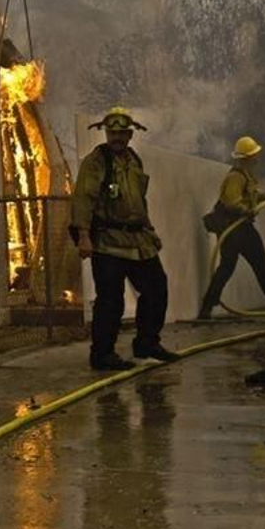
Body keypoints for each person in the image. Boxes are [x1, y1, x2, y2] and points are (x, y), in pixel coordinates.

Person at [71, 106, 179, 371]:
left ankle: (147, 344)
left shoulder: (133, 160)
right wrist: (84, 236)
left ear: (130, 135)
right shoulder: (96, 161)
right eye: (112, 132)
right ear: (106, 133)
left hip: (137, 240)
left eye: (122, 133)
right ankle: (102, 355)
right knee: (110, 300)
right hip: (108, 242)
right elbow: (83, 198)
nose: (117, 137)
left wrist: (150, 232)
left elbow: (138, 202)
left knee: (156, 288)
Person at [197, 135, 265, 320]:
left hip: (234, 229)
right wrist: (245, 211)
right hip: (238, 228)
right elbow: (232, 201)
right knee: (262, 268)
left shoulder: (245, 175)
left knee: (226, 268)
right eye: (254, 155)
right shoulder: (236, 177)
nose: (257, 158)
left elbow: (251, 198)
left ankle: (207, 307)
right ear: (247, 157)